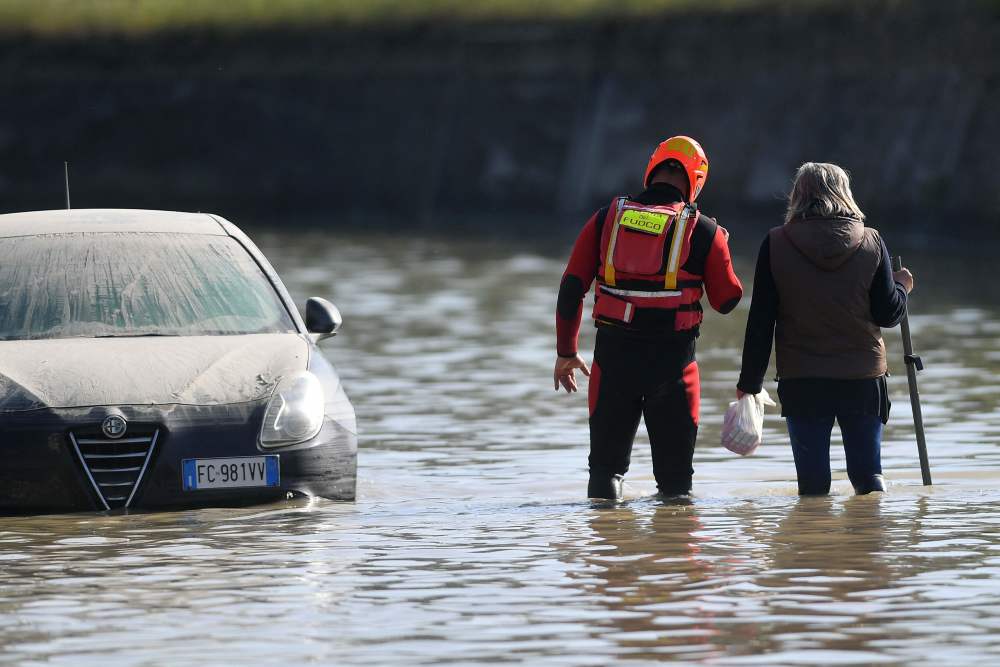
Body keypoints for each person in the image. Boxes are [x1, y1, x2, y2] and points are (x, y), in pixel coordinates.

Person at [554, 136, 743, 500]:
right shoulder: (704, 231)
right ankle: (670, 554)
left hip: (612, 365)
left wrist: (566, 351)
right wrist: (721, 247)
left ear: (652, 168)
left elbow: (570, 287)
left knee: (605, 476)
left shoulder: (606, 218)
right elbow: (727, 300)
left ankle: (606, 551)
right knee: (676, 489)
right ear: (696, 180)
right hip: (674, 369)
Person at [736, 162, 914, 495]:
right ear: (845, 194)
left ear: (797, 196)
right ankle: (872, 537)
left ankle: (812, 543)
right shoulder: (872, 242)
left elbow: (761, 321)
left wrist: (749, 384)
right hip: (863, 379)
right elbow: (888, 314)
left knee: (813, 486)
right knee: (869, 477)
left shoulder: (776, 243)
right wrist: (902, 287)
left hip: (803, 381)